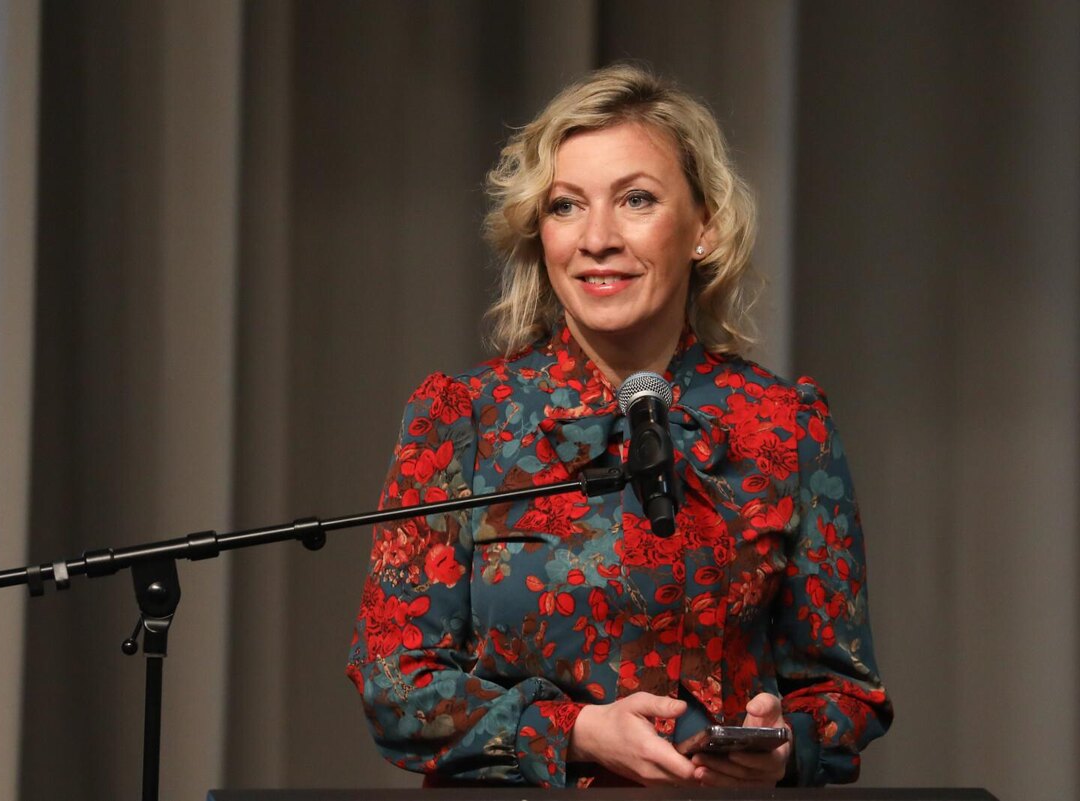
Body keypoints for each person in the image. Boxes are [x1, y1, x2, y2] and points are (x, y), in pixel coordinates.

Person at [346, 63, 892, 788]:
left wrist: (788, 742)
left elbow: (846, 691)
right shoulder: (462, 417)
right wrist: (574, 733)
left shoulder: (787, 425)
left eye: (636, 200)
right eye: (566, 206)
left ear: (704, 227)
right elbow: (394, 680)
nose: (597, 237)